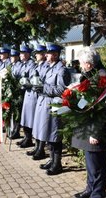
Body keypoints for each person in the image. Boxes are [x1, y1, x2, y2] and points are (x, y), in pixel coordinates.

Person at [72, 48, 106, 198]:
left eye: (82, 63)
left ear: (88, 64)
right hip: (88, 126)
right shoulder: (92, 75)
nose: (80, 66)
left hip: (96, 129)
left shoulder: (103, 77)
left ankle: (97, 193)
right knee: (91, 163)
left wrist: (96, 132)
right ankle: (90, 189)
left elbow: (103, 108)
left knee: (97, 164)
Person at [35, 42, 71, 175]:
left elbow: (62, 89)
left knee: (54, 134)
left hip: (54, 104)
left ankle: (57, 163)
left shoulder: (61, 69)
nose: (46, 55)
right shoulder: (50, 67)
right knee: (48, 132)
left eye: (49, 53)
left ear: (55, 55)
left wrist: (43, 88)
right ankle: (51, 160)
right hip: (45, 103)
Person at [22, 44, 49, 158]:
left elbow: (43, 82)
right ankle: (37, 147)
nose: (36, 55)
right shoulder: (38, 66)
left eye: (37, 53)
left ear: (43, 55)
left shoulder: (46, 66)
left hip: (41, 97)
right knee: (37, 124)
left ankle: (40, 148)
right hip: (37, 96)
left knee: (40, 125)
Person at [11, 44, 35, 141]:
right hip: (20, 92)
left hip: (27, 92)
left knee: (26, 115)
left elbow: (31, 79)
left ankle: (28, 137)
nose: (20, 55)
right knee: (22, 114)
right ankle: (25, 136)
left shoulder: (31, 64)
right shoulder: (23, 64)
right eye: (20, 53)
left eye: (22, 53)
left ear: (27, 54)